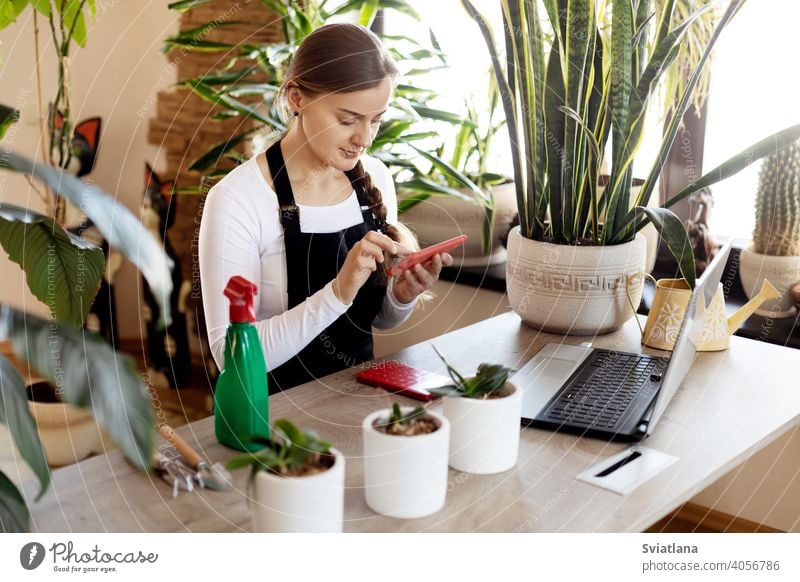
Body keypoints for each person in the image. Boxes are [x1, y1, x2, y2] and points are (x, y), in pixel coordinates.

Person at [199, 23, 453, 393]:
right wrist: (336, 294)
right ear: (297, 99)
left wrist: (401, 295)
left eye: (376, 120)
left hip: (359, 405)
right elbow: (231, 356)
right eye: (348, 119)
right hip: (275, 421)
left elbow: (378, 321)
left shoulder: (375, 179)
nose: (363, 139)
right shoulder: (238, 200)